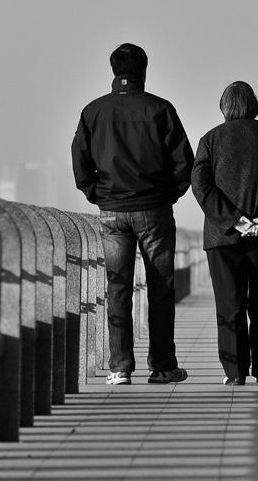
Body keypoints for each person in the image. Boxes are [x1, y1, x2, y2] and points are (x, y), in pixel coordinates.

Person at [71, 43, 193, 386]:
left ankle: (120, 367)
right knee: (160, 287)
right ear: (143, 70)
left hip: (111, 212)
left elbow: (80, 163)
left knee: (118, 287)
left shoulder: (92, 111)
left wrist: (97, 195)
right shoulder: (160, 109)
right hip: (154, 210)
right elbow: (185, 164)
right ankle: (163, 366)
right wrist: (167, 195)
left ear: (113, 71)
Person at [191, 81, 258, 386]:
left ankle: (235, 371)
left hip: (222, 236)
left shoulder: (210, 139)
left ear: (225, 106)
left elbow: (201, 186)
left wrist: (236, 221)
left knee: (230, 303)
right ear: (254, 105)